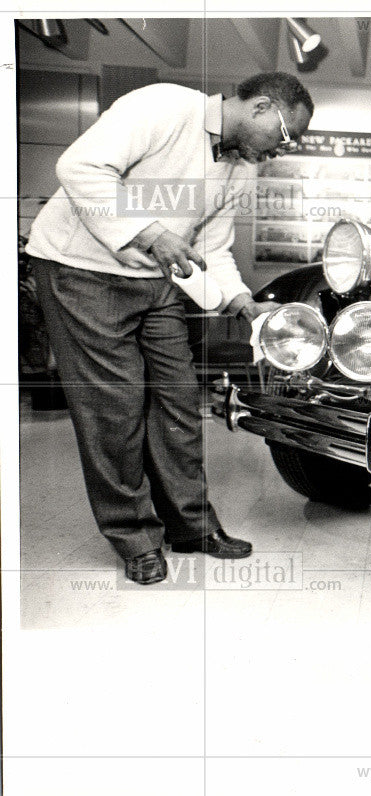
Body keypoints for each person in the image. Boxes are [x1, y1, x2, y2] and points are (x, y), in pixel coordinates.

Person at [25, 72, 314, 585]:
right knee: (113, 408)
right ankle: (134, 536)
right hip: (81, 270)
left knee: (178, 401)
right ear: (262, 107)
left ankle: (191, 526)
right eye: (286, 135)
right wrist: (151, 230)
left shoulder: (240, 166)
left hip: (151, 278)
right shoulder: (163, 107)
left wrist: (241, 301)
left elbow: (212, 248)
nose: (281, 150)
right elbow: (80, 166)